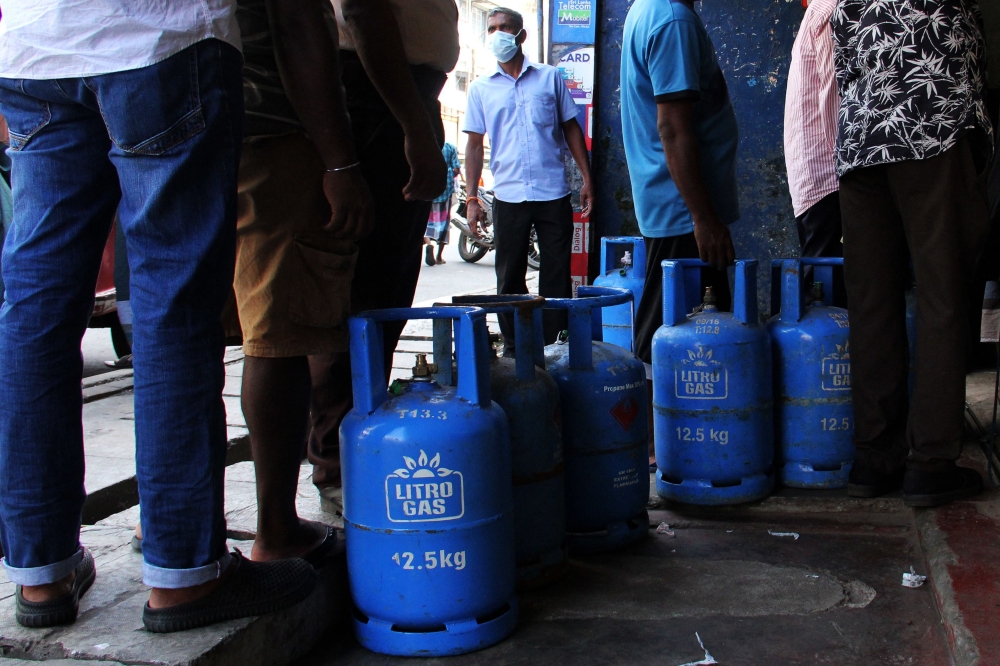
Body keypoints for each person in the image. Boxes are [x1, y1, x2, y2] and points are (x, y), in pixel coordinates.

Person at [0, 0, 318, 632]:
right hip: (159, 37)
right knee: (171, 306)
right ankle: (183, 575)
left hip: (32, 45)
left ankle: (40, 573)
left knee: (35, 308)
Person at [228, 0, 375, 563]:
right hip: (271, 126)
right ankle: (276, 528)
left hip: (175, 119)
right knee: (279, 334)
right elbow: (296, 20)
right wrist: (340, 162)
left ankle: (176, 527)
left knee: (186, 332)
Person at [834, 0, 993, 506]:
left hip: (861, 146)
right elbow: (968, 55)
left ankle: (874, 458)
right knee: (942, 297)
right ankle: (929, 463)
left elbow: (845, 65)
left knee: (872, 303)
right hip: (932, 131)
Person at [308, 0, 455, 513]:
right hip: (380, 95)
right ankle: (336, 462)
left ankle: (352, 448)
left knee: (383, 290)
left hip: (402, 97)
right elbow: (364, 14)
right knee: (357, 295)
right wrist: (414, 127)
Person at [620, 0, 740, 461]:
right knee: (685, 329)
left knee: (675, 321)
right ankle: (659, 447)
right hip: (683, 209)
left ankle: (667, 441)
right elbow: (672, 127)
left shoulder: (645, 10)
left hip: (672, 204)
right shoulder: (671, 19)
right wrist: (704, 217)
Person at [463, 7, 593, 352]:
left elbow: (571, 128)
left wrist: (586, 177)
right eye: (492, 28)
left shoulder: (550, 77)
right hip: (507, 195)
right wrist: (472, 199)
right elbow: (474, 145)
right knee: (508, 277)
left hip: (552, 192)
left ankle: (552, 346)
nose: (498, 33)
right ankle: (514, 346)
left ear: (521, 36)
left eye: (505, 27)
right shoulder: (480, 89)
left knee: (555, 276)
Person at [783, 0, 845, 307]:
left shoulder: (818, 12)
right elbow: (833, 96)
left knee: (822, 283)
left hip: (815, 174)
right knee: (829, 293)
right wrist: (850, 168)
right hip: (829, 174)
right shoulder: (831, 11)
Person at [424, 141, 462, 266]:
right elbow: (456, 169)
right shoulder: (450, 147)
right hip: (445, 190)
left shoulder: (427, 145)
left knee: (427, 222)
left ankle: (429, 244)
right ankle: (439, 257)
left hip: (428, 190)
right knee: (444, 223)